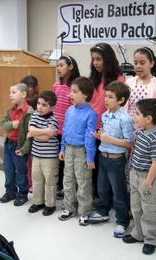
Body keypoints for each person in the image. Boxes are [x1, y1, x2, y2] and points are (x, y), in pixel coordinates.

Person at [88, 81, 135, 238]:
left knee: (118, 192)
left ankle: (122, 221)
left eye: (110, 97)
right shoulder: (105, 115)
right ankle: (103, 211)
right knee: (102, 188)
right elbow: (105, 135)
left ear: (121, 100)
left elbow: (129, 143)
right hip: (103, 157)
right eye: (105, 96)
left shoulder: (126, 119)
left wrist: (108, 139)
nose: (105, 100)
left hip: (116, 160)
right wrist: (100, 135)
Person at [122, 98, 156, 255]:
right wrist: (131, 172)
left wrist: (148, 183)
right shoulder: (141, 132)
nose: (134, 116)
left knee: (150, 210)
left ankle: (151, 239)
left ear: (148, 119)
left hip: (148, 178)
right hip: (135, 175)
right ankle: (138, 233)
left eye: (137, 114)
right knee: (136, 207)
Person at [58, 76, 97, 224]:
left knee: (83, 181)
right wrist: (62, 148)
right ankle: (69, 207)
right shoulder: (69, 110)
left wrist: (90, 158)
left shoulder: (91, 113)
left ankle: (85, 211)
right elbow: (65, 130)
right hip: (68, 149)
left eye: (75, 91)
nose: (70, 94)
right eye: (71, 91)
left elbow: (90, 137)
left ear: (85, 94)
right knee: (67, 179)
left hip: (82, 151)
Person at [89, 42, 125, 198]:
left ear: (107, 59)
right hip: (92, 127)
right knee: (93, 165)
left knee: (106, 168)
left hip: (108, 130)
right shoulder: (94, 77)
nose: (95, 62)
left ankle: (107, 199)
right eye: (93, 59)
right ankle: (98, 196)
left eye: (99, 59)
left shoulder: (118, 79)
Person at [0, 82, 34, 206]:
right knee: (8, 170)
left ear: (23, 94)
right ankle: (10, 191)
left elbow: (30, 135)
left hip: (19, 146)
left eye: (13, 92)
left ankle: (22, 194)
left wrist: (24, 149)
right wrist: (11, 124)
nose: (10, 96)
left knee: (20, 171)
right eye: (10, 93)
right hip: (8, 144)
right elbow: (3, 123)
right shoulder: (10, 110)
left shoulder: (29, 112)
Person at [27, 91, 59, 216]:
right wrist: (44, 131)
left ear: (51, 107)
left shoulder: (53, 119)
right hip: (36, 155)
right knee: (37, 179)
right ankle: (37, 202)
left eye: (44, 105)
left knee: (49, 180)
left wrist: (34, 134)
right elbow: (31, 129)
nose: (39, 107)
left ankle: (50, 204)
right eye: (39, 104)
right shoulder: (34, 115)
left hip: (49, 157)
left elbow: (47, 137)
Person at [53, 55, 80, 200]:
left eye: (61, 65)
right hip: (55, 129)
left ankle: (66, 187)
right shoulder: (56, 85)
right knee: (58, 159)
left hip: (67, 131)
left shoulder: (74, 88)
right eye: (57, 65)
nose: (58, 68)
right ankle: (58, 185)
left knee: (66, 162)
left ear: (71, 67)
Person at [125, 47, 156, 120]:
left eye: (142, 63)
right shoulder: (129, 82)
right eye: (135, 63)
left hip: (148, 127)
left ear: (152, 63)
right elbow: (123, 106)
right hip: (128, 126)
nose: (138, 66)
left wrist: (151, 130)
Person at [20, 75, 39, 192]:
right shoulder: (21, 102)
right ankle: (25, 181)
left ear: (36, 87)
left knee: (31, 161)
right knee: (24, 161)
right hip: (22, 134)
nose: (28, 89)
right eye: (26, 86)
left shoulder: (37, 101)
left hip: (32, 135)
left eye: (31, 86)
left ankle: (32, 183)